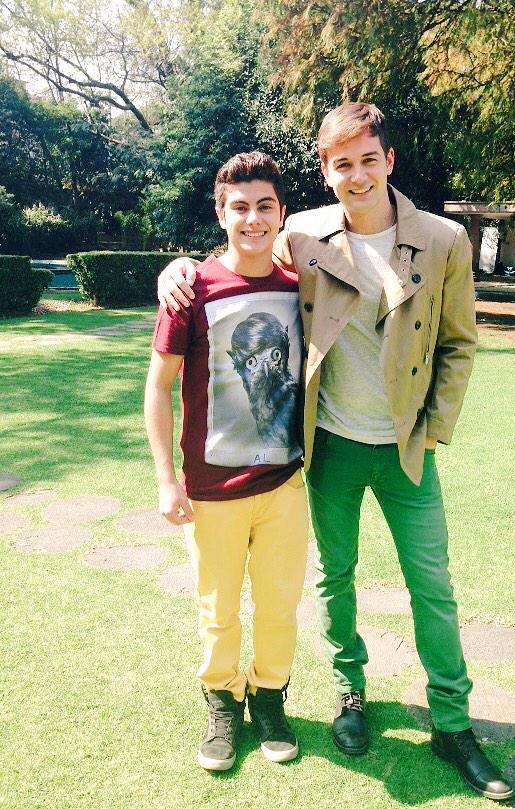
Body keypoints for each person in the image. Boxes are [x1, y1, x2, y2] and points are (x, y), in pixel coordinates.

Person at [156, 103, 513, 801]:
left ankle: (452, 723)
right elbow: (241, 246)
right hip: (331, 446)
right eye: (342, 163)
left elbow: (459, 343)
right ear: (325, 172)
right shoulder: (305, 235)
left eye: (368, 159)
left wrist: (432, 430)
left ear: (389, 160)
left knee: (432, 586)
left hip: (407, 449)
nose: (358, 175)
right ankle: (350, 695)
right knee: (334, 578)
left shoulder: (443, 240)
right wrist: (178, 267)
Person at [145, 151, 309, 772]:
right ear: (220, 214)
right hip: (213, 491)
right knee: (217, 610)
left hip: (284, 483)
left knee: (279, 605)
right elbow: (157, 387)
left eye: (265, 206)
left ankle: (269, 698)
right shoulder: (190, 291)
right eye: (239, 207)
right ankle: (221, 699)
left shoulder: (300, 288)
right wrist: (166, 480)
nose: (253, 219)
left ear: (282, 213)